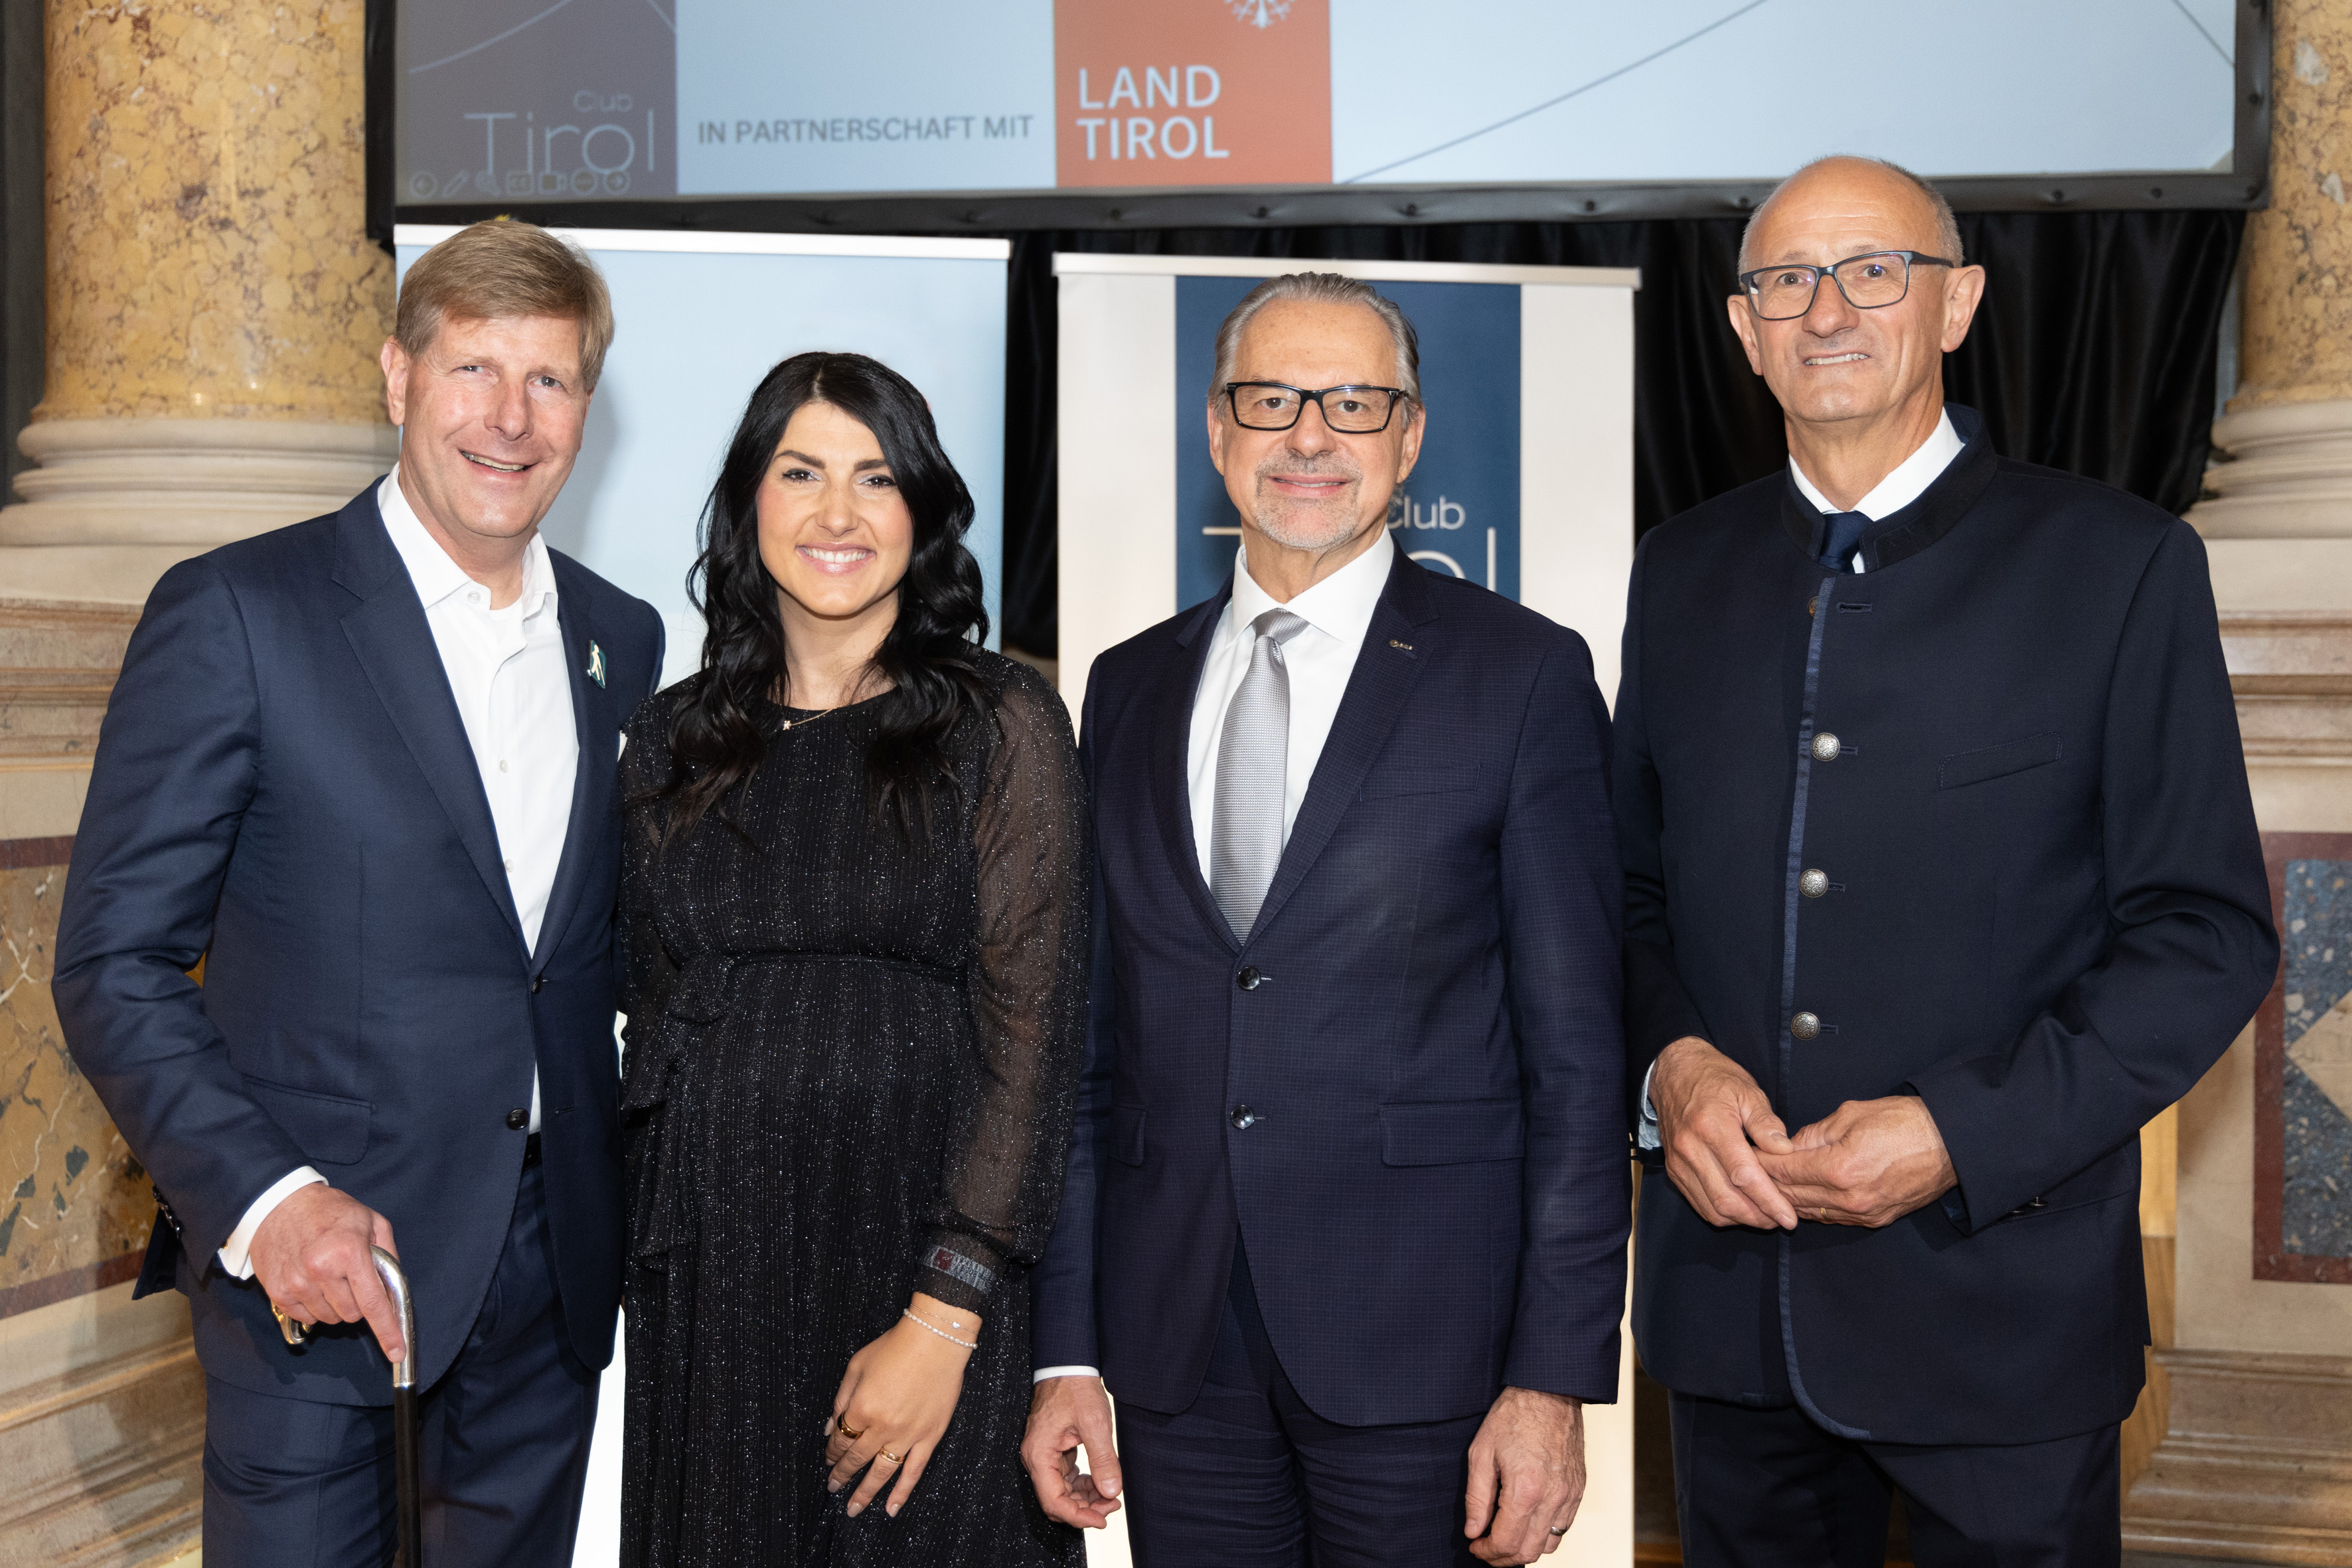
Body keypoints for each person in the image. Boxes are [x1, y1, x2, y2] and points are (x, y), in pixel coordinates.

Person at [1616, 155, 2279, 1565]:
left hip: (2001, 1315)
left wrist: (1956, 1132)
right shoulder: (1678, 570)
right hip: (1731, 1314)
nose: (1826, 310)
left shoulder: (2118, 564)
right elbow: (1624, 893)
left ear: (1958, 303)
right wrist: (1672, 1067)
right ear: (1741, 329)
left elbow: (2203, 935)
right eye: (1785, 281)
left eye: (1874, 271)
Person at [53, 219, 664, 1565]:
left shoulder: (618, 637)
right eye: (473, 369)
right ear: (398, 377)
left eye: (550, 380)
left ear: (587, 407)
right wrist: (270, 1200)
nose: (510, 418)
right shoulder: (238, 612)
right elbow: (113, 961)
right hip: (321, 1285)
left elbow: (583, 954)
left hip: (547, 1286)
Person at [1022, 272, 1627, 1567]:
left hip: (1429, 1351)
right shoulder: (1125, 687)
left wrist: (1552, 1372)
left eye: (1354, 403)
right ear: (1216, 429)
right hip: (1175, 1348)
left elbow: (1577, 1060)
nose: (1308, 436)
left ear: (1409, 438)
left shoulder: (1522, 674)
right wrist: (1064, 1345)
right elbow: (1086, 1050)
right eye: (1270, 399)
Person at [615, 351, 1089, 1566]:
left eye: (876, 478)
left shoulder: (998, 721)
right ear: (749, 502)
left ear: (921, 511)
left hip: (923, 1266)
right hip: (718, 1282)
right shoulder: (671, 738)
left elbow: (1034, 1038)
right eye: (801, 473)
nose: (838, 512)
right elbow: (646, 1012)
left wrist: (945, 1313)